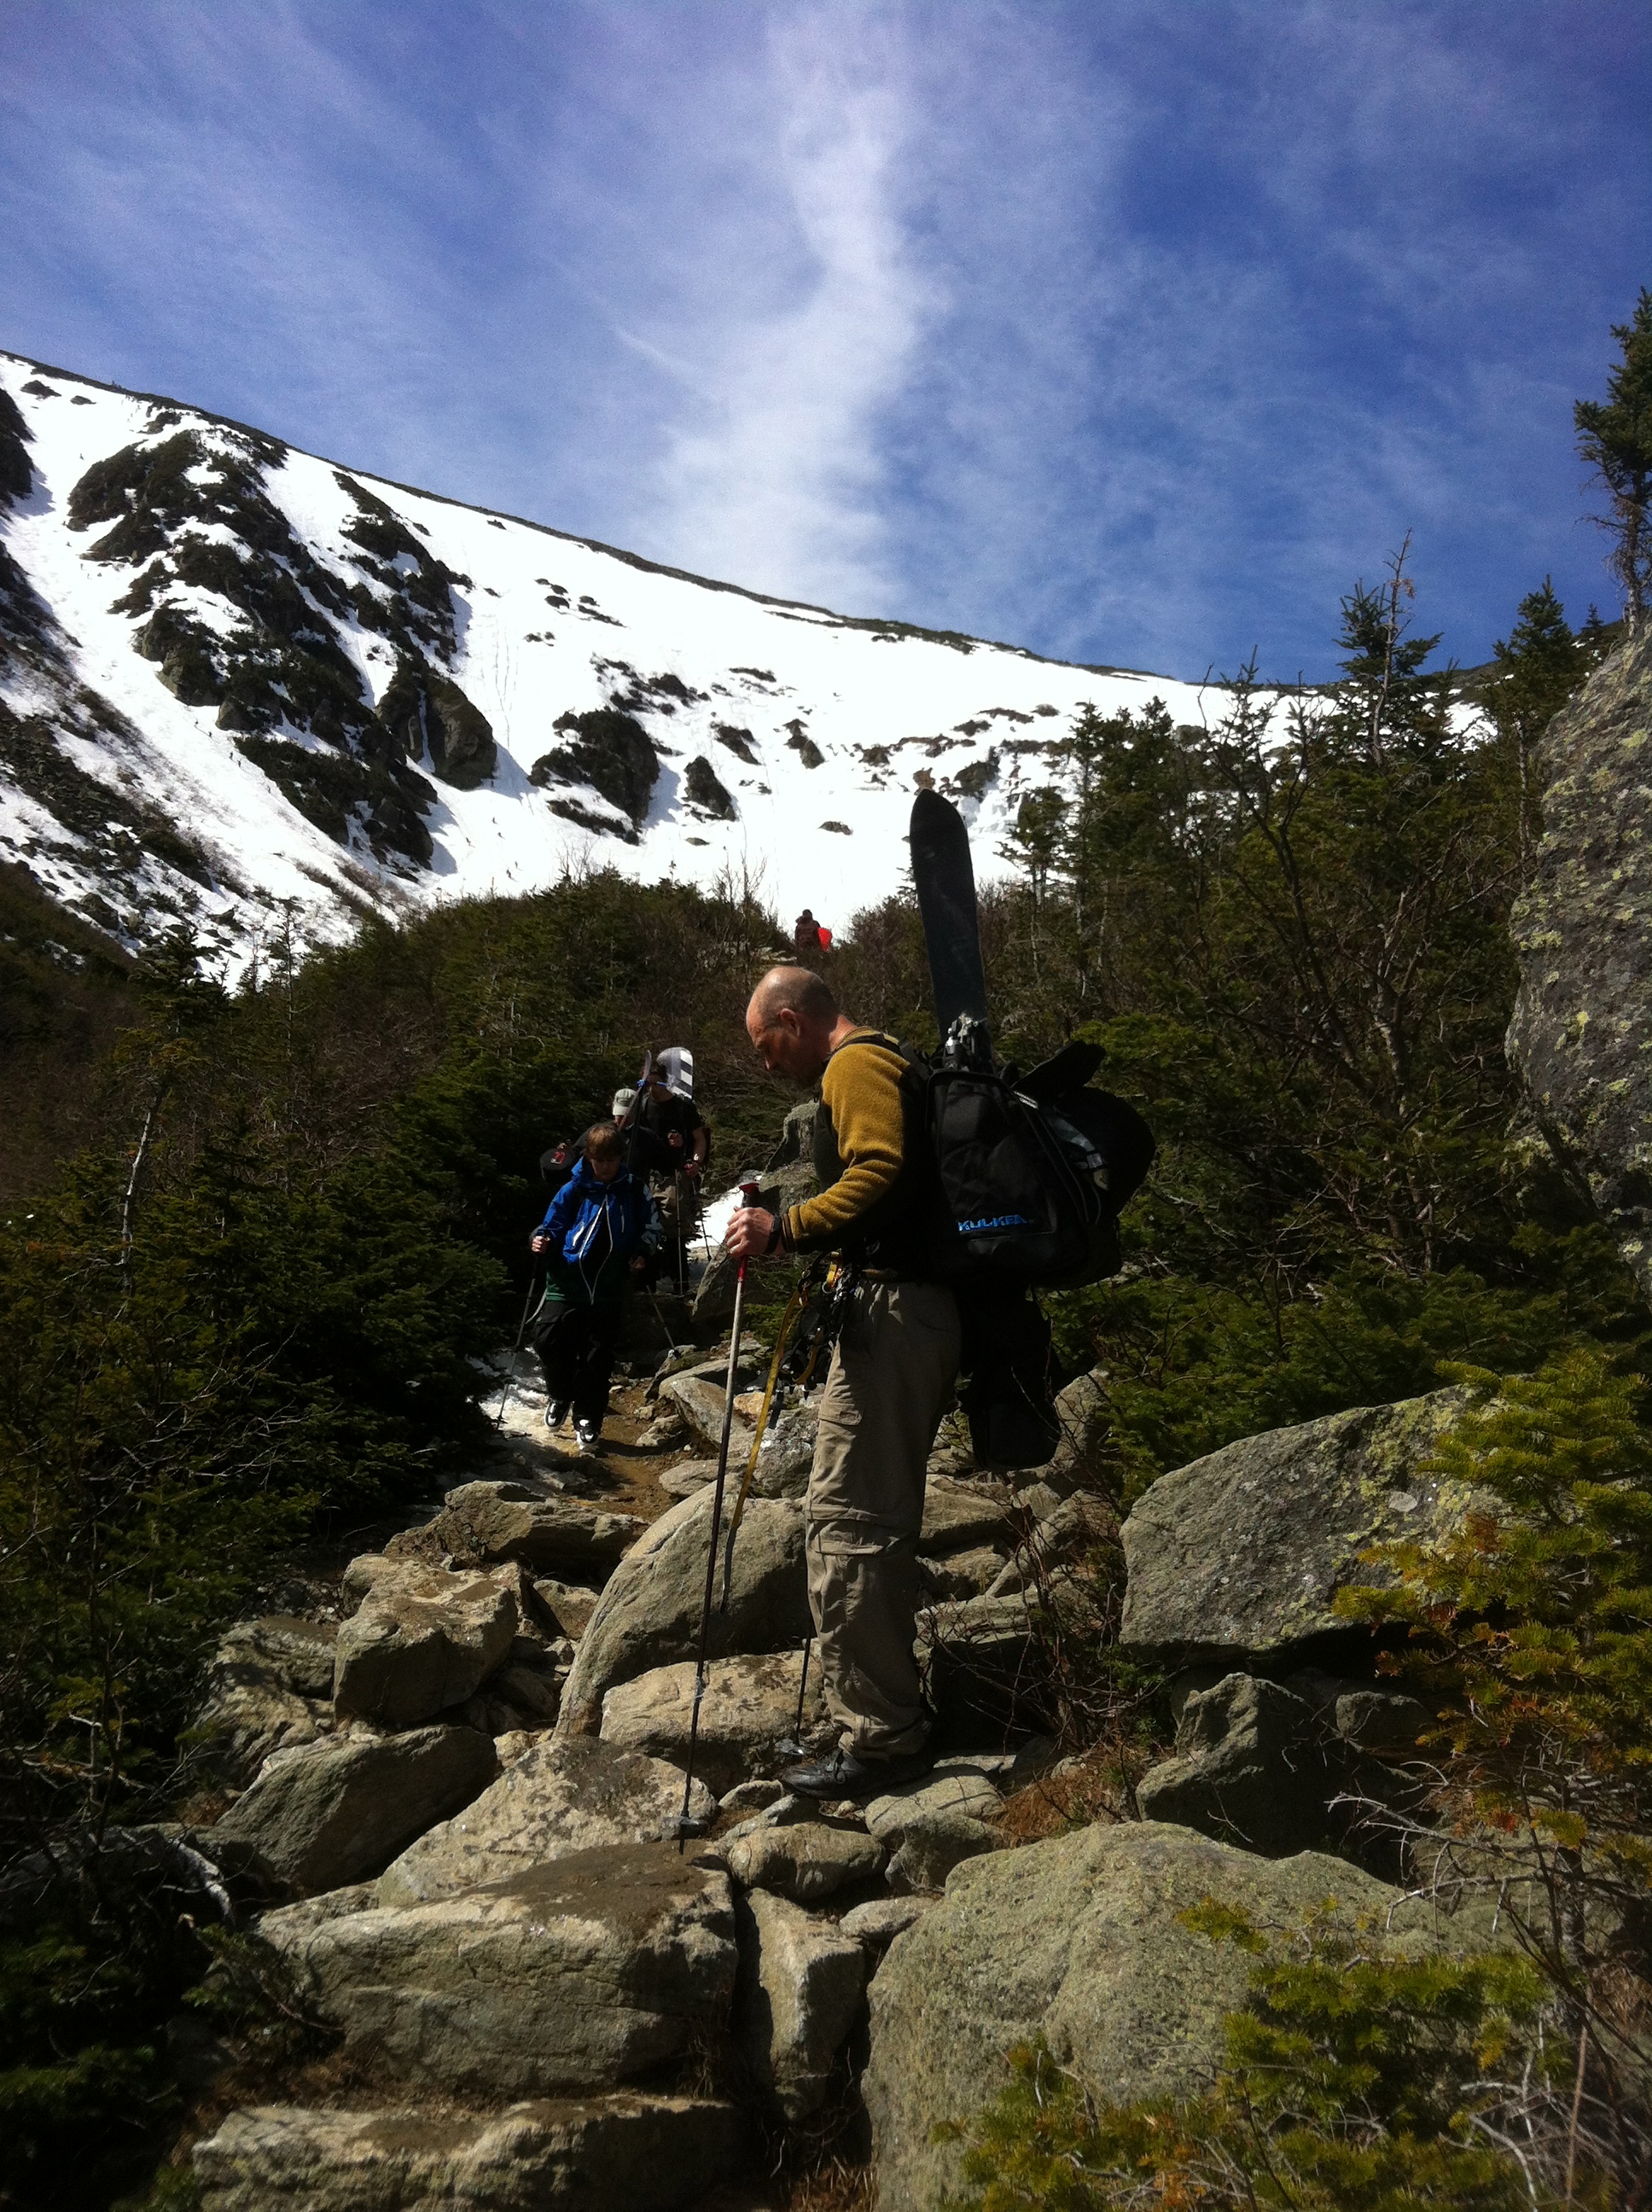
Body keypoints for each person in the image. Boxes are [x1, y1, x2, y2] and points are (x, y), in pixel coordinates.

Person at [724, 965, 957, 1798]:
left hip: (897, 1314)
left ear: (792, 1018)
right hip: (910, 1311)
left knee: (851, 1524)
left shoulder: (855, 1066)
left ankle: (885, 1740)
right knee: (860, 1518)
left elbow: (878, 1171)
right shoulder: (885, 1061)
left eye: (765, 1044)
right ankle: (879, 1712)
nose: (764, 1063)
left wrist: (781, 1228)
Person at [529, 1119, 660, 1452]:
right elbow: (552, 1224)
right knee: (548, 1340)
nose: (605, 1167)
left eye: (612, 1161)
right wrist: (540, 1239)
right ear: (588, 1157)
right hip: (565, 1281)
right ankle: (560, 1395)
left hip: (609, 1286)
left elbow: (651, 1225)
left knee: (596, 1356)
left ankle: (588, 1417)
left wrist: (642, 1252)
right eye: (599, 1161)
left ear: (621, 1158)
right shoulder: (572, 1189)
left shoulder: (633, 1188)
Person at [629, 1047, 711, 1286]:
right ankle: (649, 1280)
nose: (652, 1089)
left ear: (666, 1083)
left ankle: (680, 1280)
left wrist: (695, 1163)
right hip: (649, 1173)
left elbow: (700, 1139)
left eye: (656, 1084)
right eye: (648, 1084)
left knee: (673, 1224)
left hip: (676, 1172)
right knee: (647, 1222)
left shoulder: (683, 1107)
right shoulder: (643, 1105)